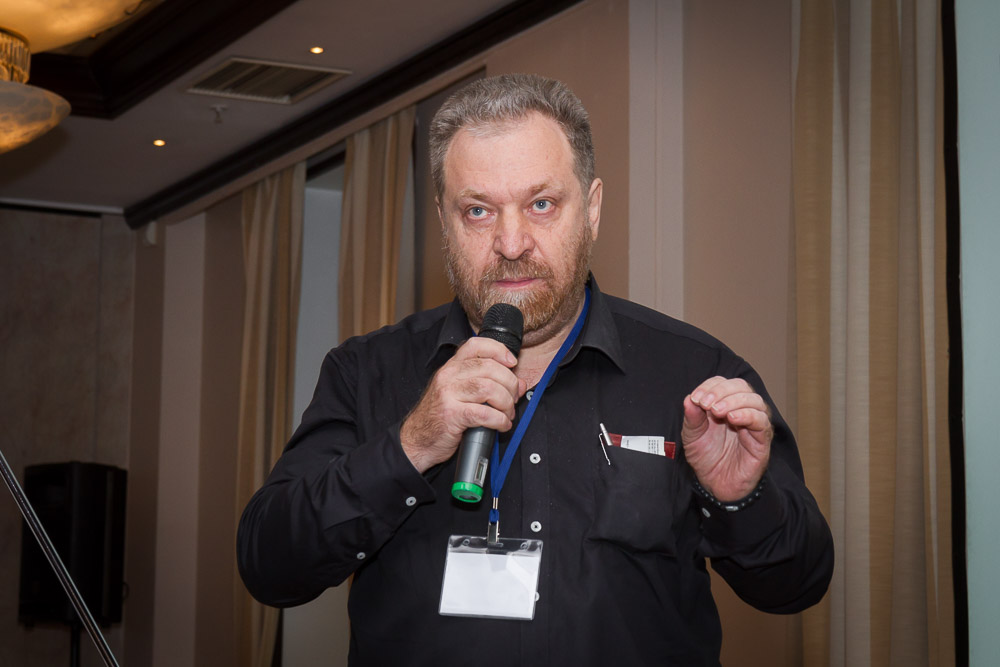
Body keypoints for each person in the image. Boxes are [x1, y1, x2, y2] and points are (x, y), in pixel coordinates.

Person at [237, 73, 833, 666]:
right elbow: (269, 567)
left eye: (541, 204)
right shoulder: (366, 371)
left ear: (591, 210)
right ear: (444, 223)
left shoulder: (695, 373)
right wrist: (410, 445)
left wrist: (742, 502)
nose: (512, 242)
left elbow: (797, 586)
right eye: (478, 211)